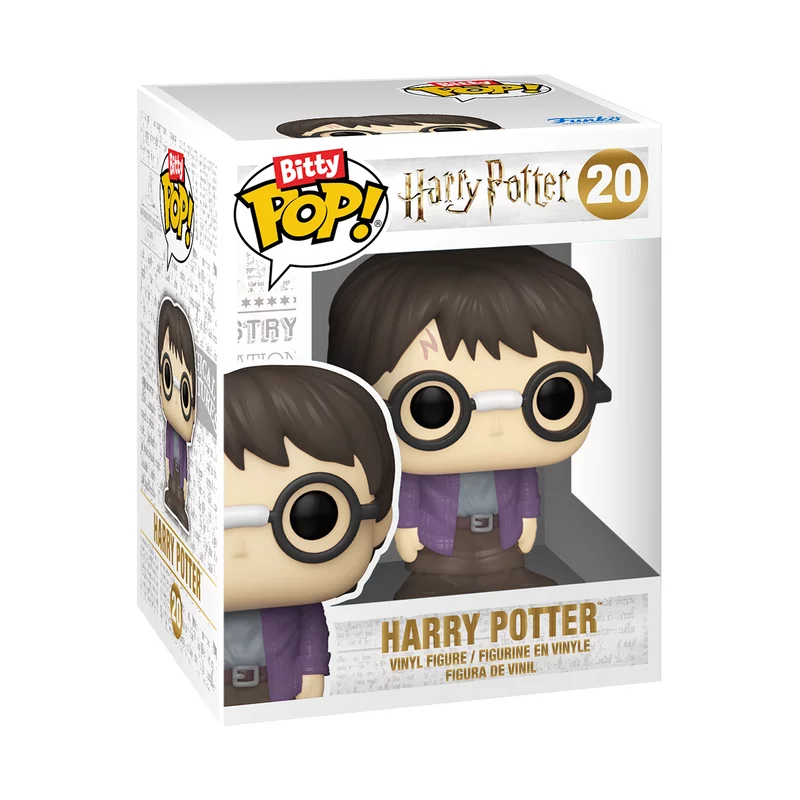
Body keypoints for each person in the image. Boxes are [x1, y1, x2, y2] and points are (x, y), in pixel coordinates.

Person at [327, 246, 611, 600]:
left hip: (502, 538)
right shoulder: (420, 467)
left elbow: (526, 484)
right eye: (433, 405)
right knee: (437, 577)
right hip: (440, 545)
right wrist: (407, 527)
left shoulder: (516, 463)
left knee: (506, 568)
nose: (495, 425)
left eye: (552, 397)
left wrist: (528, 519)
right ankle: (433, 584)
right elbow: (407, 489)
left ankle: (507, 576)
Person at [223, 365, 396, 705]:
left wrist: (313, 674)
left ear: (380, 521)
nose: (241, 548)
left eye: (312, 517)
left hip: (279, 686)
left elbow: (312, 635)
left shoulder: (299, 602)